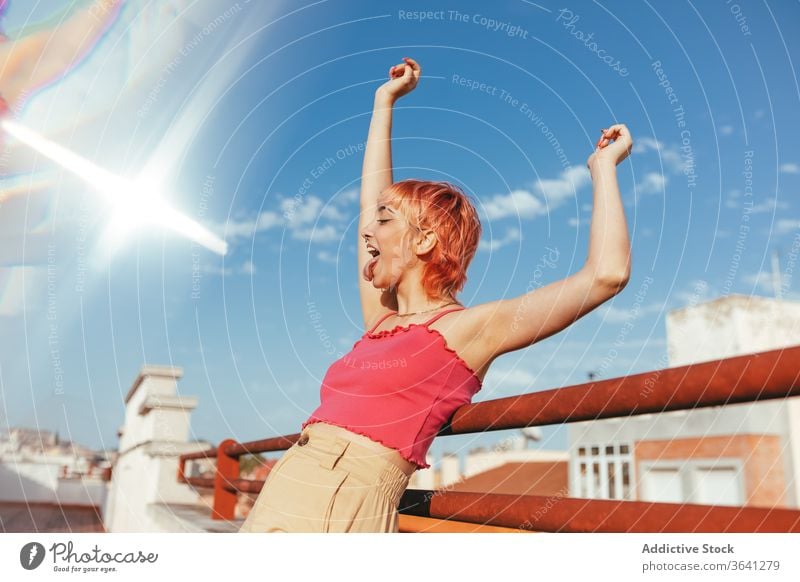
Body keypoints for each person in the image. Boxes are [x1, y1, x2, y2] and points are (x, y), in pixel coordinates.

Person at [238, 57, 633, 533]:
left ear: (424, 241)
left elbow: (606, 276)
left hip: (341, 506)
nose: (367, 232)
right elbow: (370, 204)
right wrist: (383, 103)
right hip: (285, 486)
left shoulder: (467, 331)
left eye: (385, 223)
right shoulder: (381, 323)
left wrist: (603, 168)